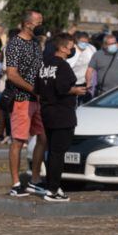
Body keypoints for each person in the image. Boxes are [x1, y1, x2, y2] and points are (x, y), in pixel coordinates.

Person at [36, 34, 87, 202]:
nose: (72, 49)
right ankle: (52, 190)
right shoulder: (63, 66)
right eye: (71, 46)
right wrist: (76, 90)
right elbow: (62, 87)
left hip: (47, 112)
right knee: (58, 153)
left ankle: (54, 186)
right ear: (63, 48)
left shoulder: (44, 64)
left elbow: (39, 87)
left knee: (52, 152)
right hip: (62, 114)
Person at [4, 11, 47, 197]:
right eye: (39, 22)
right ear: (28, 24)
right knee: (18, 141)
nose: (41, 25)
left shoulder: (36, 43)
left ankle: (35, 179)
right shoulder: (15, 44)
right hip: (22, 99)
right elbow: (12, 74)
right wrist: (32, 89)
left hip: (37, 99)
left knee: (43, 137)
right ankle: (15, 183)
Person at [86, 33, 118, 98]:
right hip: (104, 93)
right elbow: (90, 69)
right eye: (111, 44)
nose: (114, 45)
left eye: (115, 43)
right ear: (105, 45)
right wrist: (88, 83)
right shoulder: (97, 54)